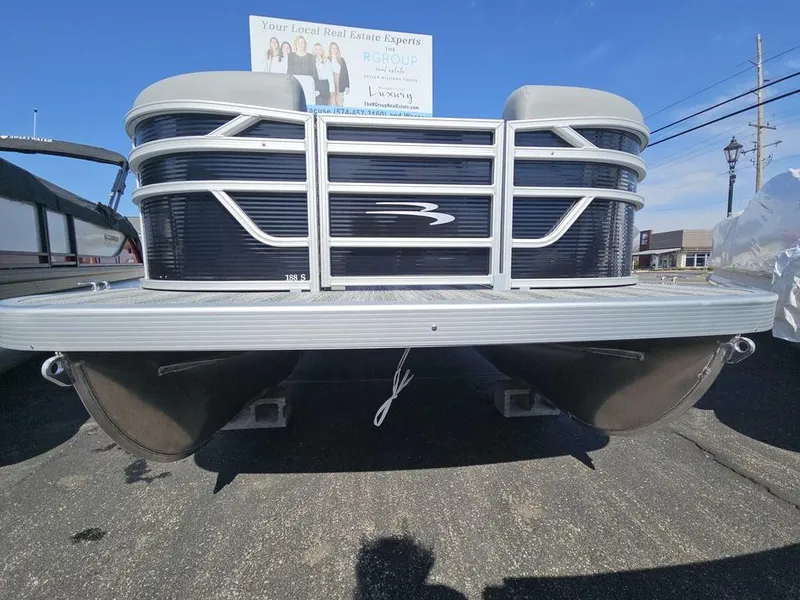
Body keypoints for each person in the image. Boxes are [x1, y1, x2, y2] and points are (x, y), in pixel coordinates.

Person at [328, 42, 350, 106]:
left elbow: (346, 73)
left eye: (336, 48)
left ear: (338, 50)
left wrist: (347, 86)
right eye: (332, 48)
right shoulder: (327, 59)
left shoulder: (341, 60)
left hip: (340, 82)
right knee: (331, 100)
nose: (334, 50)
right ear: (330, 49)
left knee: (340, 101)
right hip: (331, 81)